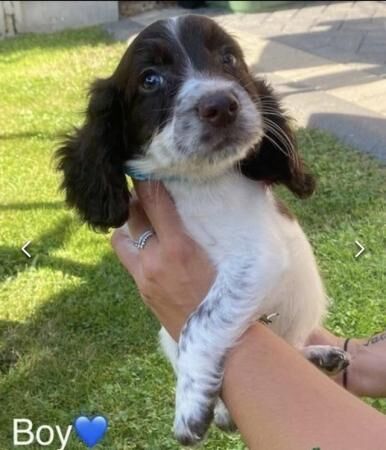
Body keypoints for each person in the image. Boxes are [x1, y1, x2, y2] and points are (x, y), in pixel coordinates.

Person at [112, 181, 386, 450]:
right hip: (287, 320)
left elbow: (264, 261)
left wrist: (209, 353)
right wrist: (352, 362)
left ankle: (262, 369)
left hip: (272, 315)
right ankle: (293, 358)